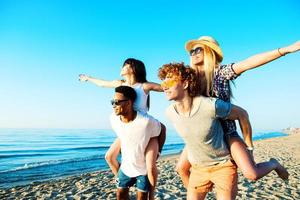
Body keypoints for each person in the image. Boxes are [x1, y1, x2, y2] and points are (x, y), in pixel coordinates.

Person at [176, 36, 298, 187]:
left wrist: (286, 50)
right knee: (181, 169)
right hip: (203, 135)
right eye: (192, 51)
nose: (194, 53)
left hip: (227, 133)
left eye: (198, 49)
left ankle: (273, 164)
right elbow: (167, 84)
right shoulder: (189, 79)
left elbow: (248, 63)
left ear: (210, 52)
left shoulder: (220, 73)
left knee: (251, 173)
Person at [158, 62, 253, 199]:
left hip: (222, 166)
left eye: (170, 82)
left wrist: (249, 147)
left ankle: (274, 164)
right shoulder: (170, 113)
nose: (165, 88)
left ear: (185, 84)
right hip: (198, 169)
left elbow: (242, 114)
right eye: (163, 84)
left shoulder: (210, 105)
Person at [79, 58, 166, 199]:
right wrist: (88, 78)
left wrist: (177, 81)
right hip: (126, 128)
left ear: (133, 68)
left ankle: (152, 193)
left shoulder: (144, 86)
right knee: (109, 156)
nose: (121, 67)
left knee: (149, 166)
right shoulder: (120, 84)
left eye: (125, 65)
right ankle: (124, 179)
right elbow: (102, 84)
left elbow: (164, 88)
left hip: (145, 130)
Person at [110, 86, 162, 200]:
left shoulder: (146, 121)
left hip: (143, 169)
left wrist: (158, 152)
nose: (114, 105)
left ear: (129, 103)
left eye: (117, 102)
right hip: (125, 167)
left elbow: (162, 129)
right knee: (120, 196)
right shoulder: (113, 119)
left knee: (142, 197)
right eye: (112, 102)